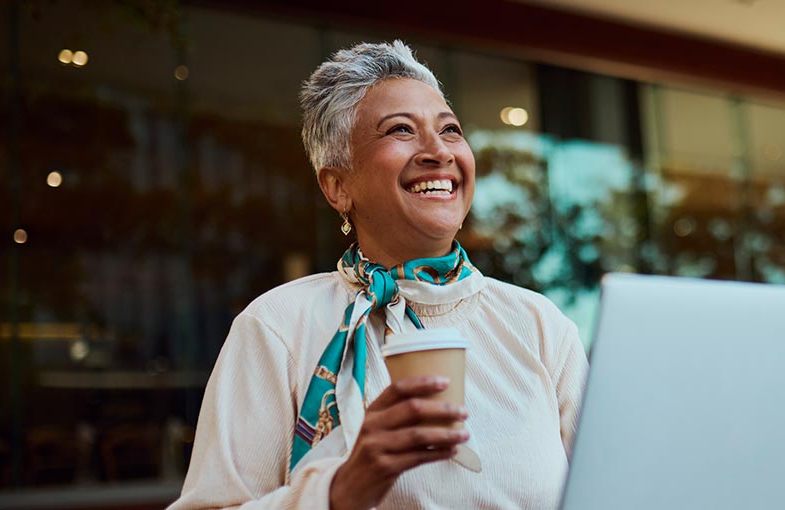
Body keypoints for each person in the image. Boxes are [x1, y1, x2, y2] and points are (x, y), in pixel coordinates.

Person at [168, 40, 588, 510]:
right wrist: (340, 490)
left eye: (450, 130)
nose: (437, 151)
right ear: (338, 186)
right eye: (401, 131)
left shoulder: (539, 325)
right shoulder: (277, 327)